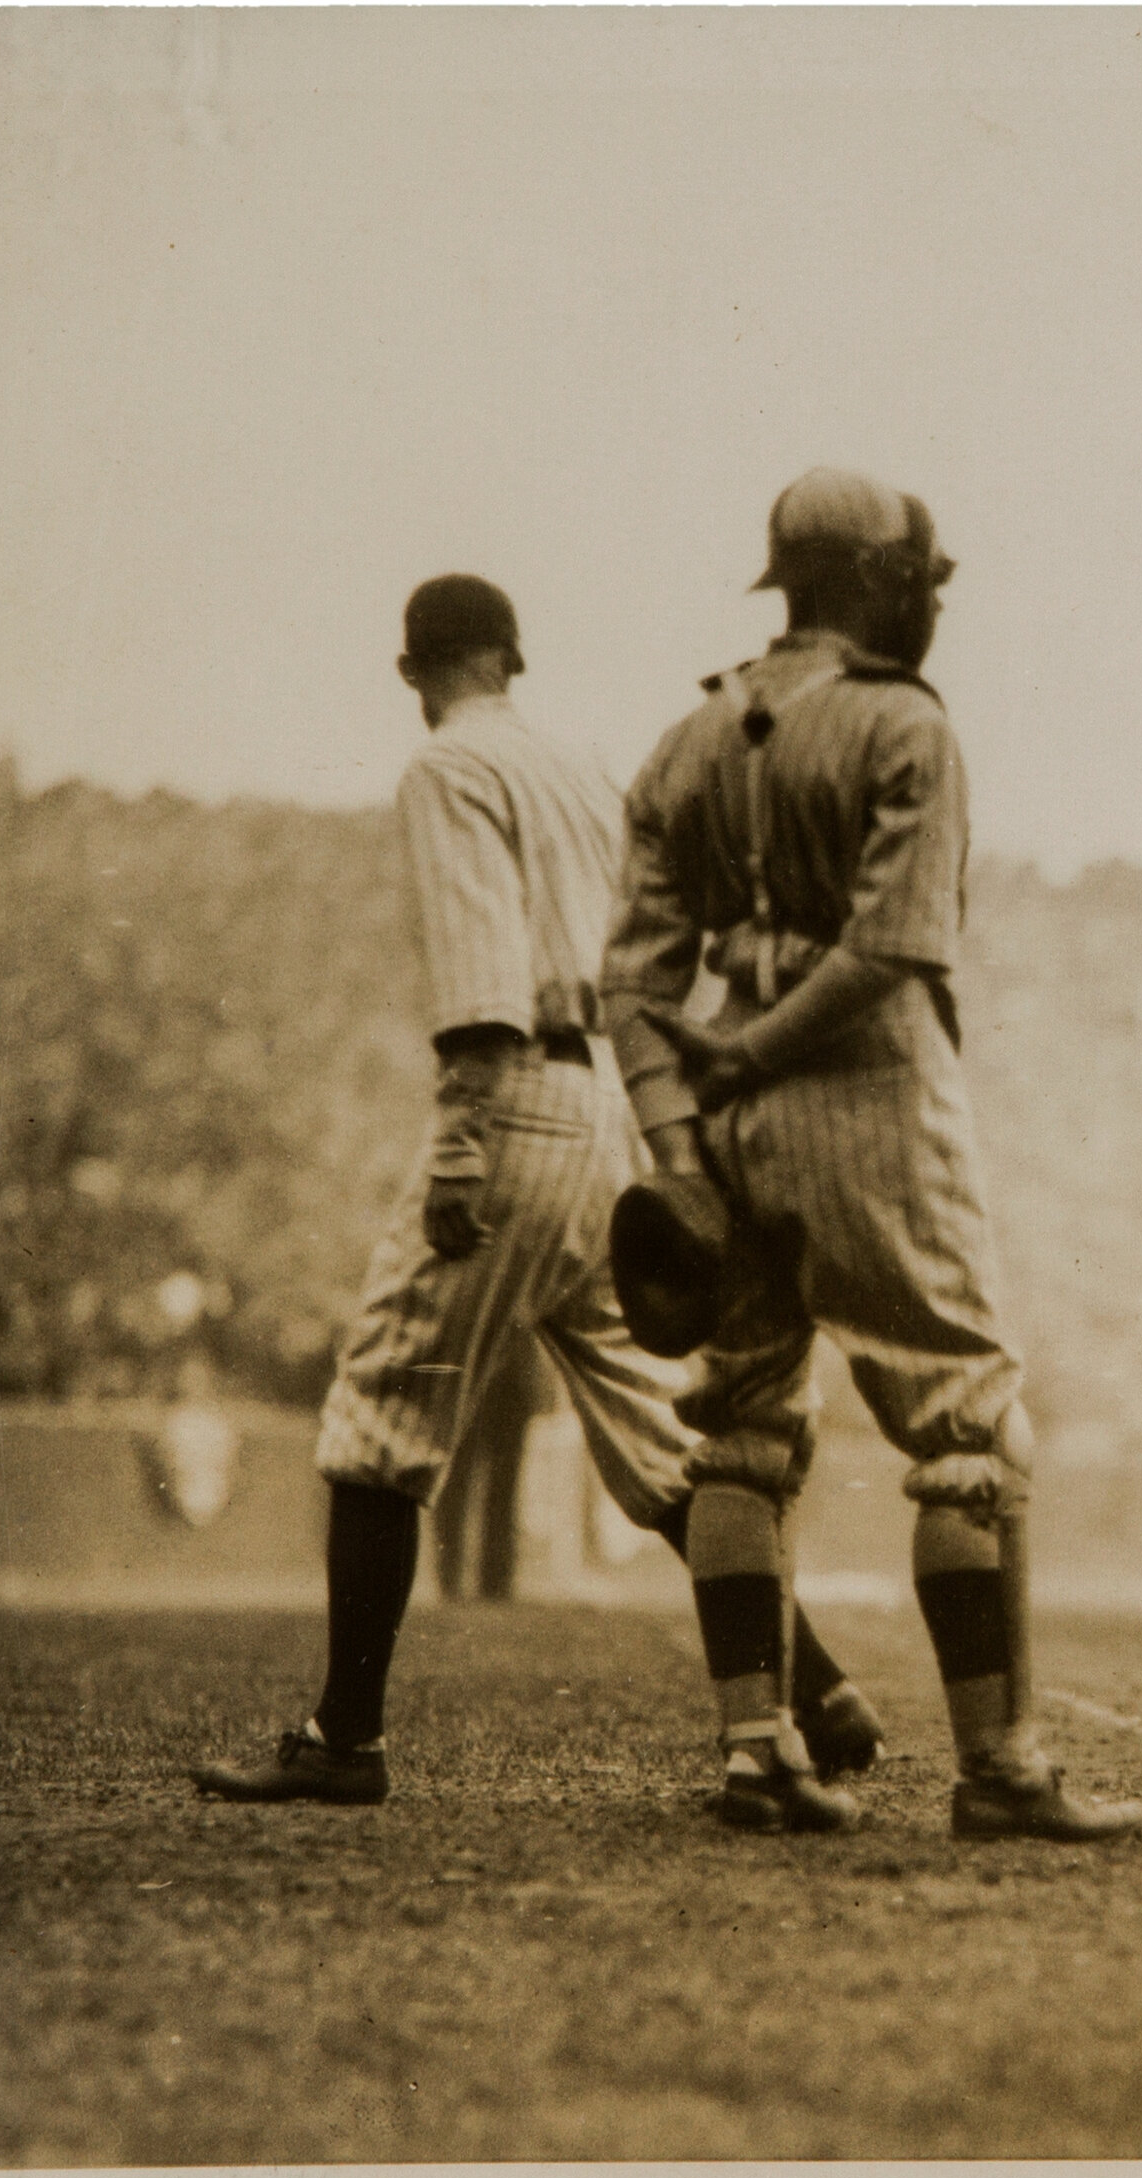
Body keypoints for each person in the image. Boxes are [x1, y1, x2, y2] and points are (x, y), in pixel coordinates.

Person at [194, 576, 881, 1807]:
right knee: (667, 1437)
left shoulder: (447, 766)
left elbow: (477, 966)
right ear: (514, 656)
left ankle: (345, 1738)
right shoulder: (581, 764)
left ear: (414, 673)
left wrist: (461, 1140)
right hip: (611, 1110)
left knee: (378, 1411)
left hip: (511, 1098)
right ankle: (816, 1689)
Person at [600, 469, 1142, 1844]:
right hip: (873, 1095)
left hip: (725, 1116)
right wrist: (769, 1049)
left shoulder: (686, 739)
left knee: (739, 1421)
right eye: (916, 581)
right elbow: (896, 944)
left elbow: (635, 981)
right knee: (966, 1425)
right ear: (869, 582)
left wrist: (684, 1134)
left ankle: (755, 1749)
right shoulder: (904, 724)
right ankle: (1000, 1770)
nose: (926, 603)